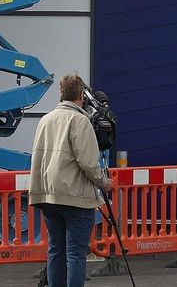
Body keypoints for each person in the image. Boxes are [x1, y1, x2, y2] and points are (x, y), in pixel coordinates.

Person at [29, 74, 113, 287]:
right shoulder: (80, 120)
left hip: (48, 195)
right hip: (75, 197)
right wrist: (104, 182)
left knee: (56, 250)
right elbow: (88, 163)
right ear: (81, 95)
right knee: (75, 253)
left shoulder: (46, 120)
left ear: (61, 93)